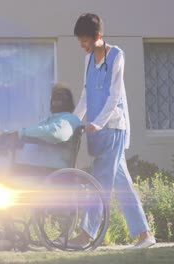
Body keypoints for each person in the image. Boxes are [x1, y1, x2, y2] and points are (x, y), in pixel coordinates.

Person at [70, 13, 156, 249]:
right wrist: (72, 121)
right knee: (122, 182)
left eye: (85, 40)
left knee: (100, 181)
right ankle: (144, 235)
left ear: (98, 36)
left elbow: (114, 95)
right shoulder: (88, 60)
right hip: (97, 131)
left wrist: (98, 122)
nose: (82, 45)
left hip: (113, 127)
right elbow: (86, 95)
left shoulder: (117, 56)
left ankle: (87, 235)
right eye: (80, 40)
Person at [0, 82, 83, 176]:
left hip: (47, 173)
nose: (57, 99)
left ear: (70, 102)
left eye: (62, 96)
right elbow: (35, 133)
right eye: (55, 96)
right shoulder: (49, 120)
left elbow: (55, 134)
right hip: (31, 169)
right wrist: (11, 136)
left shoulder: (70, 119)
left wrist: (21, 133)